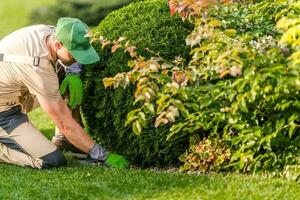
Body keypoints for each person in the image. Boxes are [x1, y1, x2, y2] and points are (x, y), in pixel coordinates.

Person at [0, 17, 129, 169]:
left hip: (17, 91)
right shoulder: (38, 68)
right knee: (52, 160)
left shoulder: (52, 33)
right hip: (5, 113)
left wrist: (72, 73)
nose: (77, 59)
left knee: (65, 73)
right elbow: (64, 123)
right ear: (58, 44)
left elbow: (68, 52)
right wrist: (102, 155)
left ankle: (66, 140)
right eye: (74, 54)